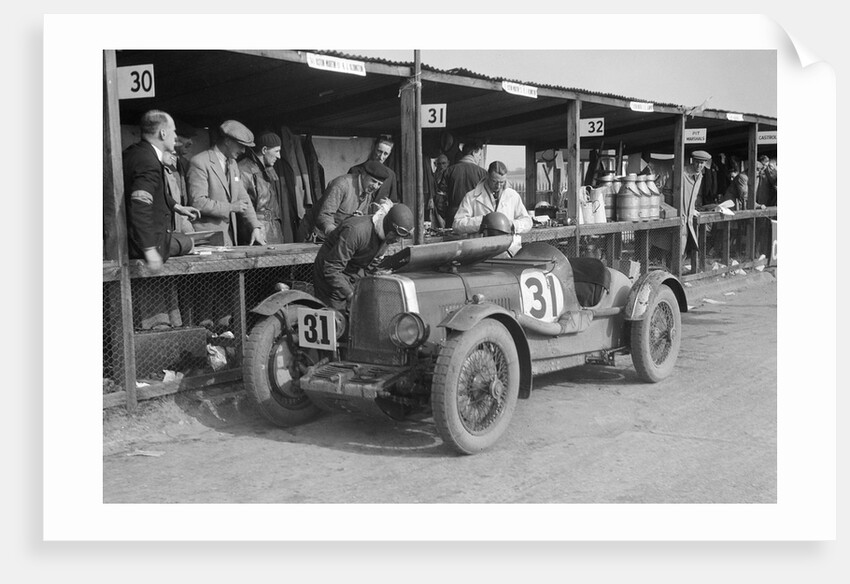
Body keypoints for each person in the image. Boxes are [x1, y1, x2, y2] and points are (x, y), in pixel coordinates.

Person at [123, 109, 200, 274]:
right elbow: (139, 205)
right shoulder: (149, 162)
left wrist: (177, 207)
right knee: (187, 242)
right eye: (174, 131)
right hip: (144, 246)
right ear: (163, 133)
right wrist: (150, 249)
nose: (176, 136)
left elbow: (152, 190)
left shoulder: (135, 152)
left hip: (134, 241)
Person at [313, 203, 414, 310]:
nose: (397, 240)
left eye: (400, 237)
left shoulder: (388, 237)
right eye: (396, 236)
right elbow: (331, 269)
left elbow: (371, 268)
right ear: (387, 226)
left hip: (351, 272)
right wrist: (350, 294)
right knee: (337, 320)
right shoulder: (355, 232)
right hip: (329, 277)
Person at [187, 119, 266, 247]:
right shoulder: (199, 162)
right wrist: (231, 207)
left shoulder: (232, 164)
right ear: (227, 141)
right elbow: (198, 202)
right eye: (241, 145)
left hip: (229, 239)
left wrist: (255, 226)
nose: (243, 151)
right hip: (207, 240)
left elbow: (243, 198)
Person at [297, 160, 390, 243]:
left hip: (336, 240)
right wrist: (337, 236)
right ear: (363, 175)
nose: (375, 186)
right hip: (313, 237)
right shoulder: (341, 185)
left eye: (379, 184)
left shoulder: (368, 191)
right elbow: (324, 216)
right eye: (373, 181)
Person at [453, 160, 532, 256]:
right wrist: (482, 222)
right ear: (487, 175)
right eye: (494, 181)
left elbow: (527, 221)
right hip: (480, 252)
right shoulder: (471, 196)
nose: (498, 186)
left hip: (508, 251)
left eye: (502, 182)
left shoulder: (512, 195)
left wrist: (512, 225)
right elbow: (457, 224)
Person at [238, 131, 289, 244]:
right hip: (256, 233)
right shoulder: (243, 170)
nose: (279, 156)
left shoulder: (268, 169)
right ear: (264, 150)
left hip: (272, 229)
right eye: (276, 151)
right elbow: (243, 207)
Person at [443, 140, 488, 226]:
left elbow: (440, 196)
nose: (480, 158)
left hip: (453, 214)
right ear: (474, 153)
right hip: (474, 217)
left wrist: (445, 212)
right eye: (479, 155)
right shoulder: (482, 173)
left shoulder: (449, 171)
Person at [348, 136, 397, 203]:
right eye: (379, 151)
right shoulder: (355, 170)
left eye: (385, 154)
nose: (381, 157)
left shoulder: (391, 175)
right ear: (373, 148)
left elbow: (393, 201)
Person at [682, 150, 711, 256]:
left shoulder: (699, 176)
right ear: (692, 161)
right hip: (680, 216)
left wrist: (692, 209)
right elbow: (668, 192)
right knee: (677, 246)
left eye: (702, 163)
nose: (699, 165)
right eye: (697, 162)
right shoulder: (682, 173)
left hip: (688, 217)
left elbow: (692, 196)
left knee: (686, 247)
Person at [432, 154, 450, 227]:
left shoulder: (450, 174)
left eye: (443, 163)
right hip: (436, 204)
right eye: (439, 164)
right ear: (436, 164)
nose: (441, 166)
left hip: (447, 204)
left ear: (448, 163)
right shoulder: (433, 176)